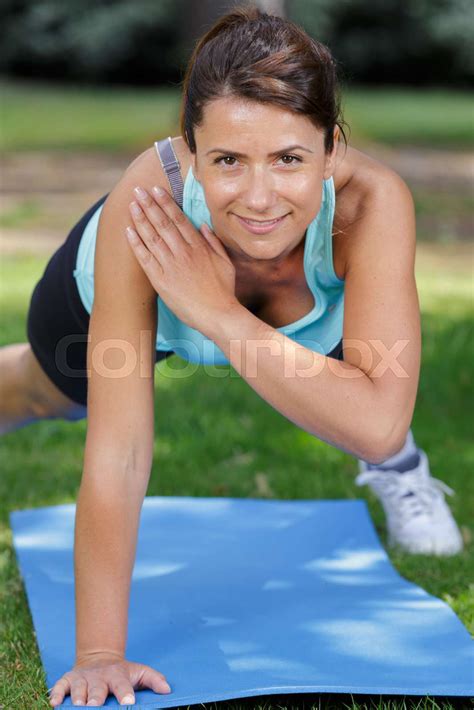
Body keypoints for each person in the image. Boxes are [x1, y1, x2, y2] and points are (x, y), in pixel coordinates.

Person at [0, 6, 463, 707]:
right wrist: (98, 653)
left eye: (289, 158)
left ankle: (403, 478)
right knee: (47, 393)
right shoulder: (149, 200)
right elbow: (120, 450)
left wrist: (217, 314)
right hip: (136, 289)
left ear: (332, 149)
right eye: (226, 160)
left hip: (275, 319)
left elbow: (376, 421)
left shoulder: (372, 204)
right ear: (189, 151)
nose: (258, 197)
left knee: (368, 395)